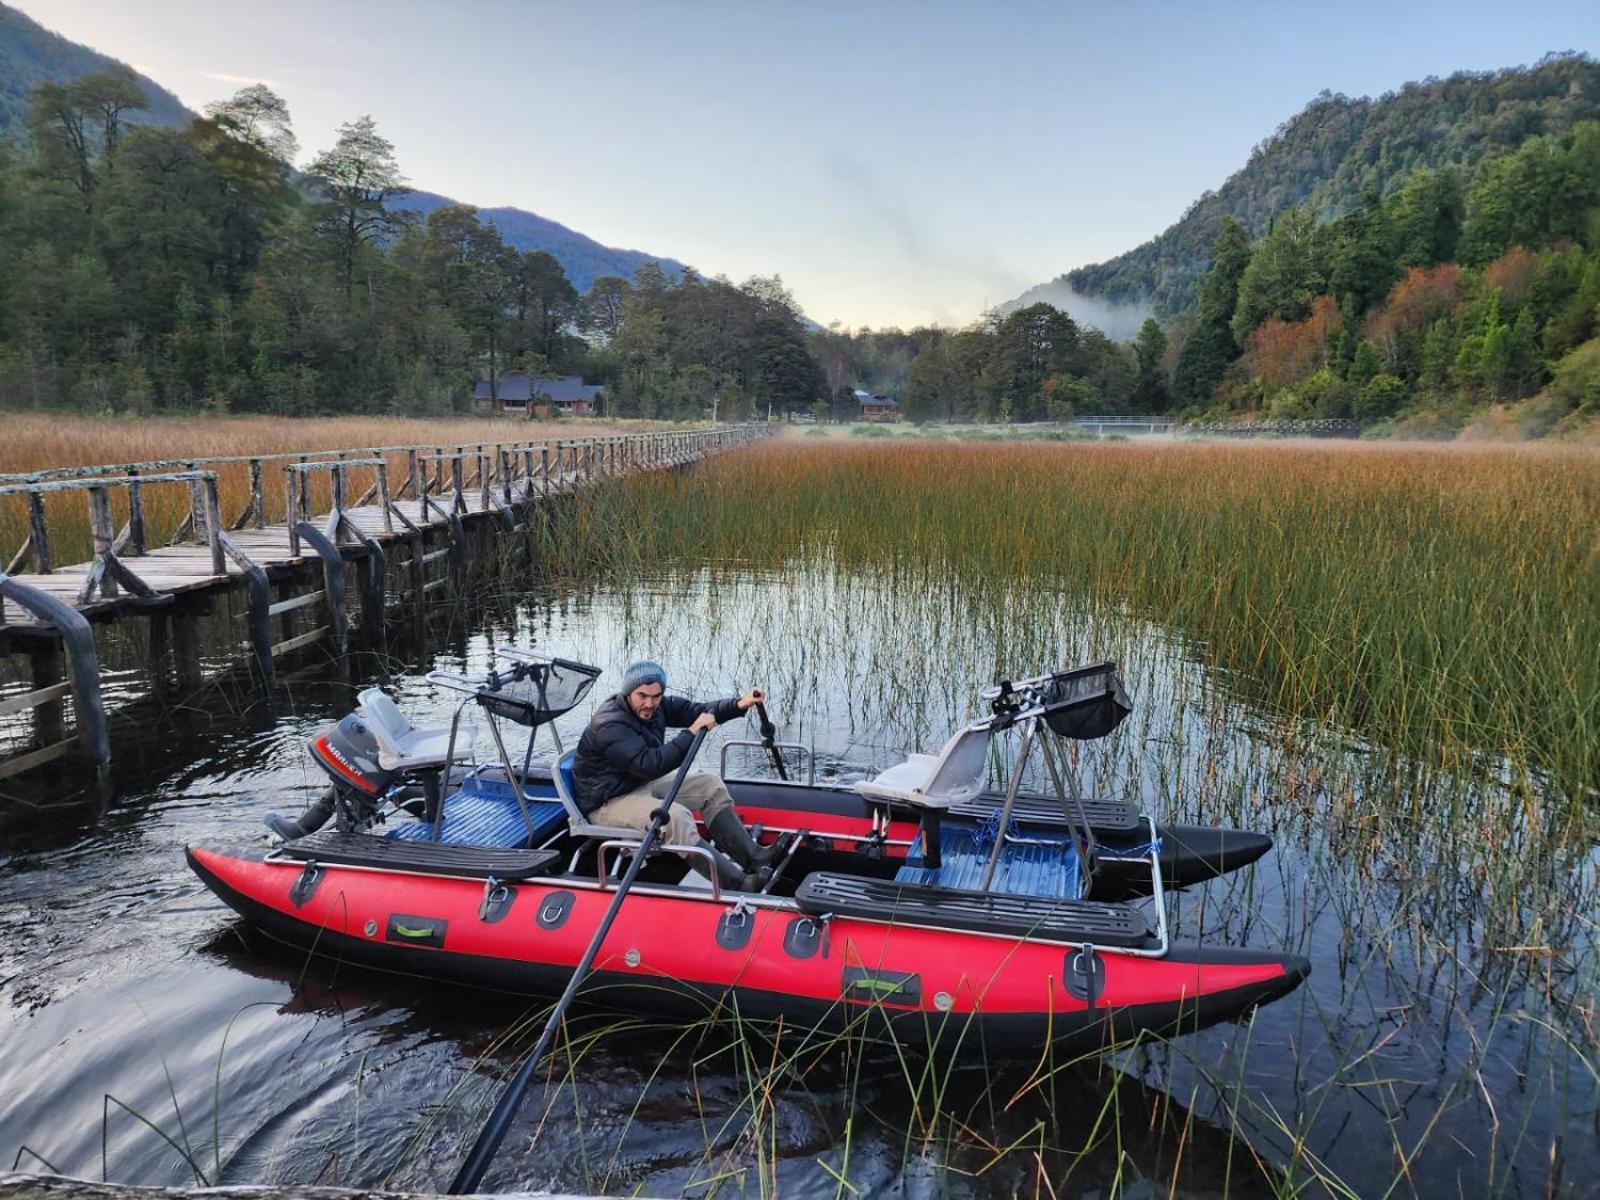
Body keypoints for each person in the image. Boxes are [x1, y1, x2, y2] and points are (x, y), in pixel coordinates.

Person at [572, 659, 792, 889]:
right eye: (642, 696)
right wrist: (691, 732)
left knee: (710, 786)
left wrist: (740, 704)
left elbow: (698, 711)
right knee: (675, 817)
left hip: (633, 782)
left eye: (656, 696)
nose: (649, 703)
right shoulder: (610, 725)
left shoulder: (657, 708)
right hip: (606, 801)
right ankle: (737, 883)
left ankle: (754, 857)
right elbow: (650, 765)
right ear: (628, 693)